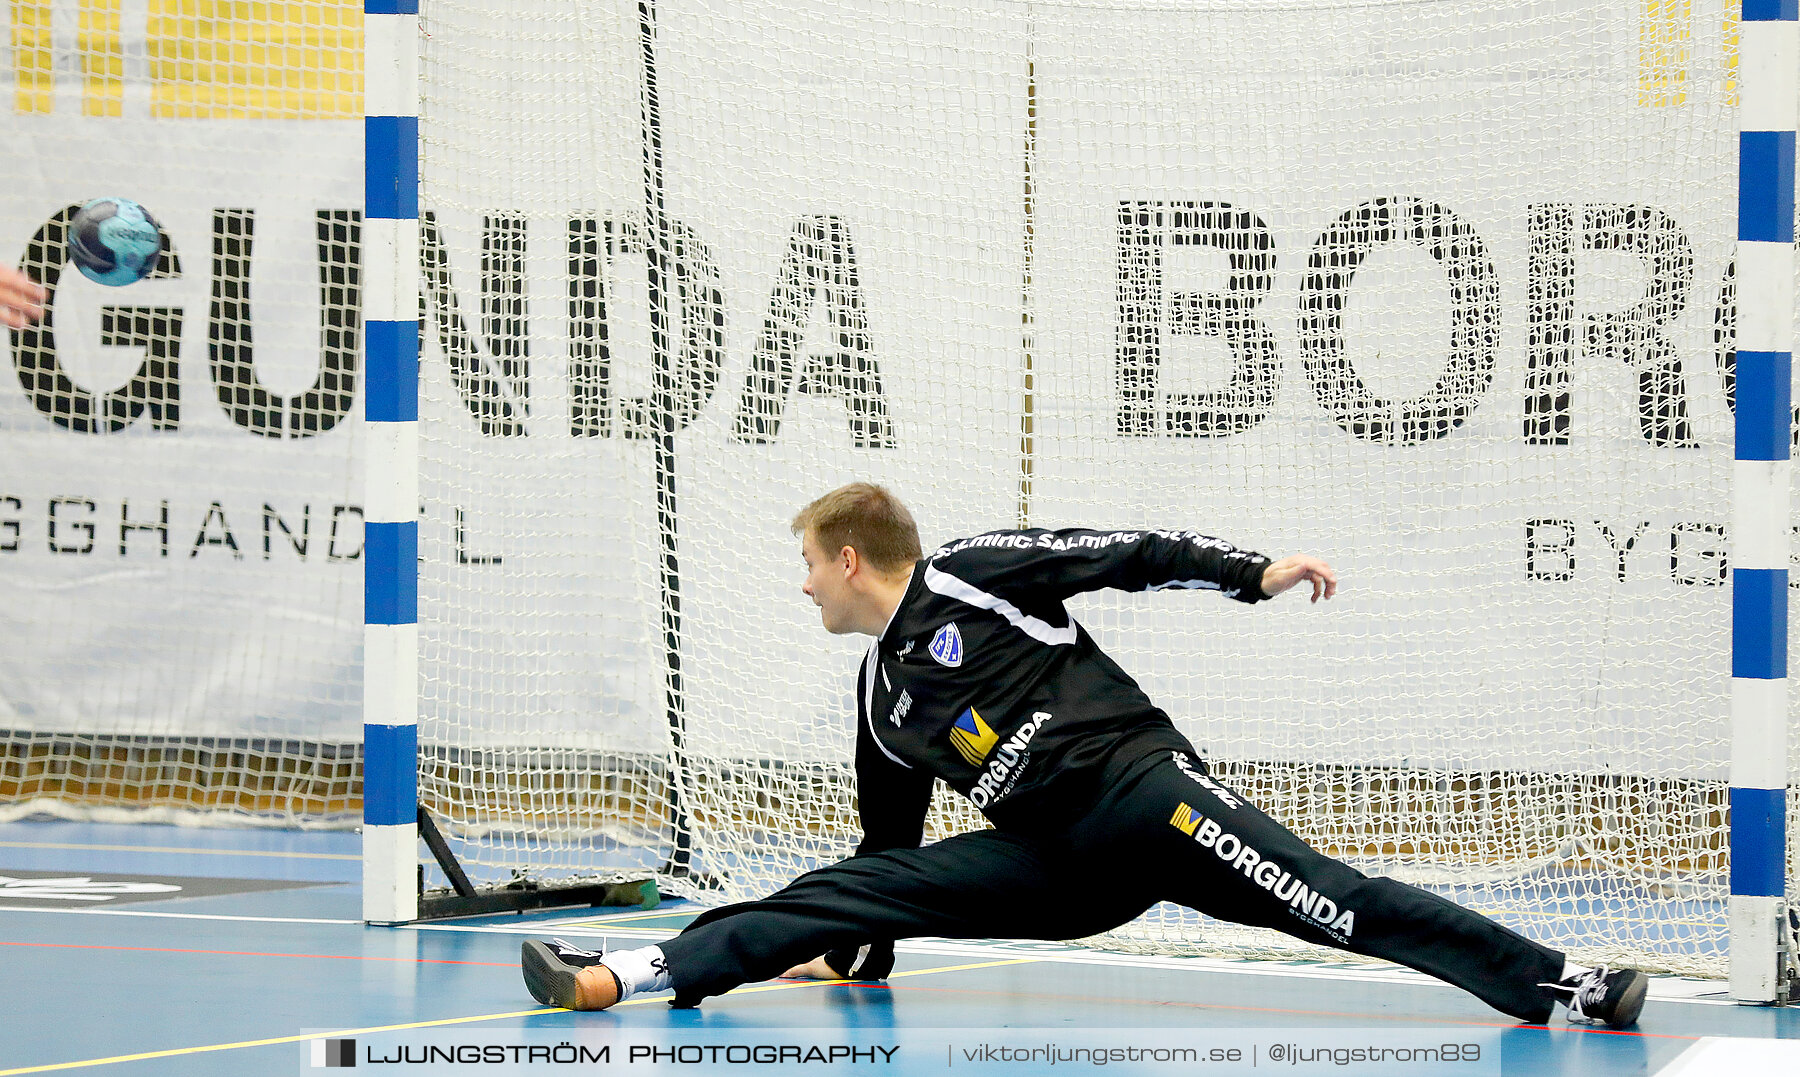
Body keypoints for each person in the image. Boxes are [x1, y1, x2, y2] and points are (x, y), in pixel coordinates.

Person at [521, 482, 1648, 1028]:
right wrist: (858, 956)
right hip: (1058, 869)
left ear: (852, 556)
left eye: (808, 565)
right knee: (845, 885)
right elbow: (889, 856)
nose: (801, 584)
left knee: (1336, 903)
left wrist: (1253, 573)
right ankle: (637, 973)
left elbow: (1125, 553)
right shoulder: (878, 699)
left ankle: (1568, 984)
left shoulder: (970, 571)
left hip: (1146, 796)